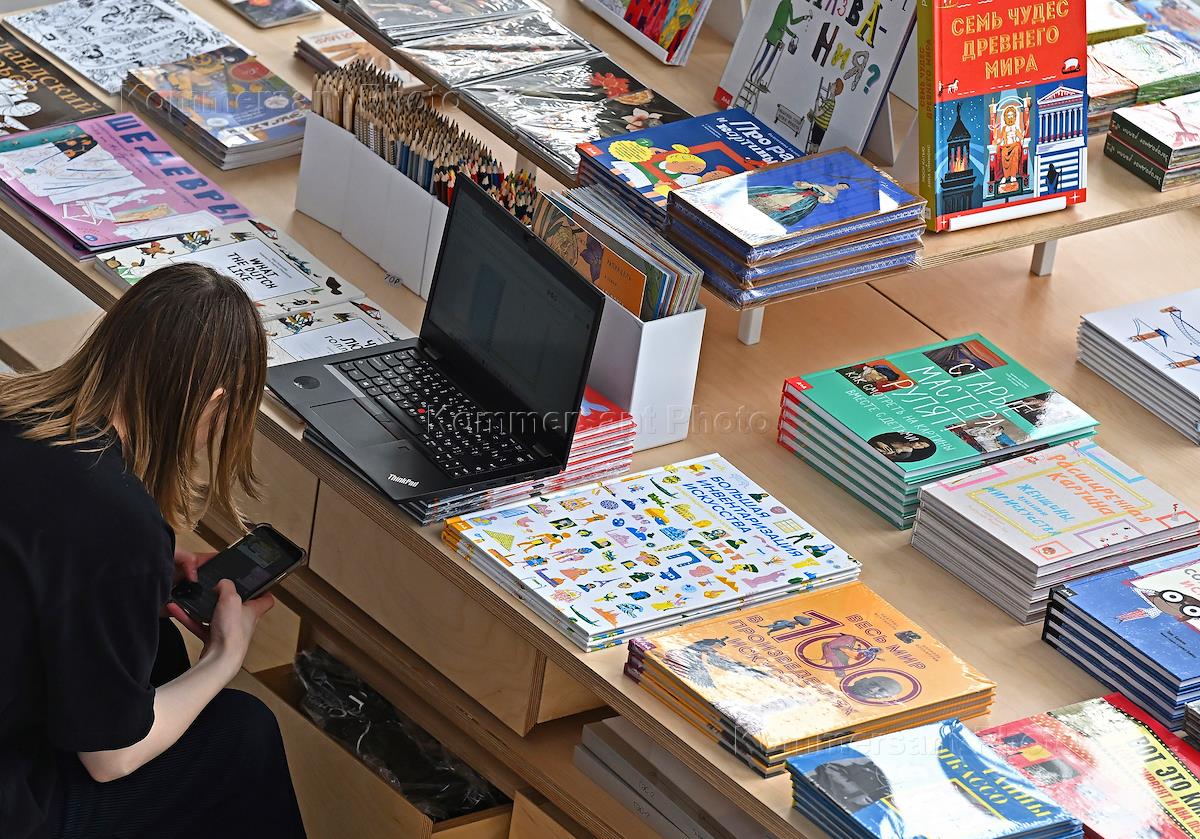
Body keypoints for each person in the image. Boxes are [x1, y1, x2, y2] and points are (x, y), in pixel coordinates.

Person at [0, 264, 306, 839]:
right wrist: (224, 657)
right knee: (242, 734)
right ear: (214, 402)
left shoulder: (12, 411)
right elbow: (110, 757)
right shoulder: (116, 517)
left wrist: (142, 577)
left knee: (157, 639)